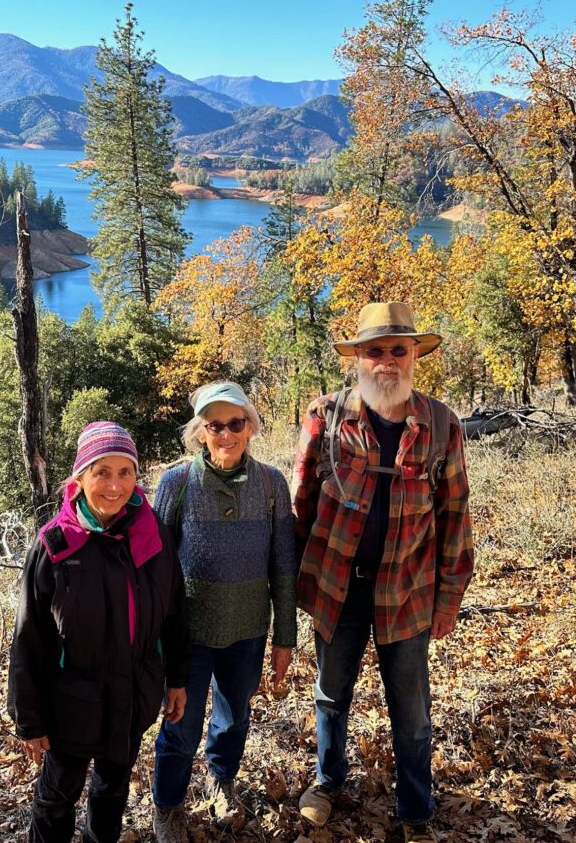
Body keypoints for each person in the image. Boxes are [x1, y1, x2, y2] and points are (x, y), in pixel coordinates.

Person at [292, 302, 475, 843]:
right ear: (358, 359)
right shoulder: (324, 418)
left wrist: (449, 599)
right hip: (336, 588)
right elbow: (301, 504)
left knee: (412, 709)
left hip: (409, 591)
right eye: (375, 351)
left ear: (415, 354)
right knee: (331, 693)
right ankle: (327, 782)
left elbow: (455, 517)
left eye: (399, 350)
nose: (387, 361)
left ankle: (415, 808)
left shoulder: (441, 424)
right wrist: (292, 587)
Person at [8, 421, 190, 843]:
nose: (114, 485)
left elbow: (175, 612)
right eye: (101, 471)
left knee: (112, 791)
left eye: (125, 472)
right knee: (57, 797)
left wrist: (178, 678)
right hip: (70, 703)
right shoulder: (55, 546)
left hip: (133, 697)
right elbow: (28, 638)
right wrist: (29, 720)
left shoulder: (153, 534)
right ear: (80, 477)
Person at [149, 382, 298, 842]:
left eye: (236, 424)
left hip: (248, 630)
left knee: (234, 718)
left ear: (250, 427)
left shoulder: (272, 484)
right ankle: (167, 804)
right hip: (188, 636)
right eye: (216, 426)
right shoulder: (176, 483)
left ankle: (222, 779)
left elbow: (284, 567)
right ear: (200, 432)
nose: (227, 434)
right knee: (181, 724)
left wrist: (285, 638)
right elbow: (155, 570)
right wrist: (154, 641)